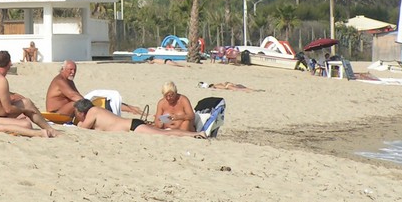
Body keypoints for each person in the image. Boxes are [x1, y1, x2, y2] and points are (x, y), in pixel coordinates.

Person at [0, 50, 56, 136]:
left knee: (26, 103)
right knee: (26, 124)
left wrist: (20, 101)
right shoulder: (1, 80)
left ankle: (50, 129)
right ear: (9, 64)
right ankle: (50, 129)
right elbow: (8, 109)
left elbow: (1, 96)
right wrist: (25, 109)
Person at [45, 60, 145, 116]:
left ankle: (131, 109)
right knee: (78, 103)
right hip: (56, 113)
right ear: (63, 69)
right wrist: (92, 105)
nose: (73, 72)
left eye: (74, 70)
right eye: (70, 69)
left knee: (100, 101)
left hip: (68, 110)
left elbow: (79, 96)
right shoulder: (60, 81)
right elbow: (74, 96)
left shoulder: (69, 81)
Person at [73, 99, 203, 137]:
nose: (76, 116)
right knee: (164, 132)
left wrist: (77, 124)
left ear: (81, 112)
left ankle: (197, 134)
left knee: (164, 134)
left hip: (132, 127)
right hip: (132, 125)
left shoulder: (93, 111)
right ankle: (194, 133)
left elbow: (83, 129)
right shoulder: (96, 110)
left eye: (76, 114)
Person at [198, 82, 263, 92]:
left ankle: (252, 90)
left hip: (228, 85)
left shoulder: (215, 86)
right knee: (242, 88)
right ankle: (254, 90)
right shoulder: (215, 84)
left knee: (240, 89)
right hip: (228, 83)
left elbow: (224, 88)